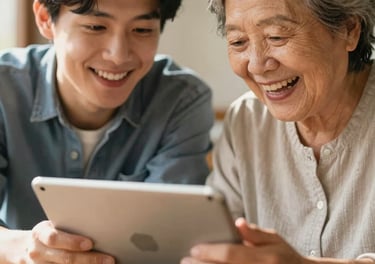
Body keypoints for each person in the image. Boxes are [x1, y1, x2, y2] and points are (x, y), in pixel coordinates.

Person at [0, 0, 214, 263]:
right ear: (45, 18)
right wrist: (21, 247)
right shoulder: (4, 88)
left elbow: (171, 235)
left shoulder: (181, 100)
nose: (118, 55)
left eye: (142, 30)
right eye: (95, 26)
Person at [181, 0, 375, 263]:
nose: (257, 65)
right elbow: (211, 238)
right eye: (238, 42)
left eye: (277, 36)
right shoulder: (247, 121)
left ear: (349, 30)